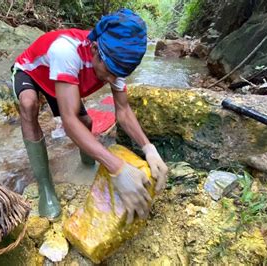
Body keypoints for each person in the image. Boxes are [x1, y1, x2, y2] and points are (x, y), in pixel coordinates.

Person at [11, 8, 168, 223]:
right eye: (111, 71)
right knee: (29, 105)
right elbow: (68, 122)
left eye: (120, 74)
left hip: (61, 81)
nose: (114, 79)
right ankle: (45, 186)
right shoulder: (66, 51)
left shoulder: (116, 62)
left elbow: (123, 111)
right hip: (33, 72)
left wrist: (148, 148)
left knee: (86, 121)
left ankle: (87, 164)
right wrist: (117, 167)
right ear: (94, 49)